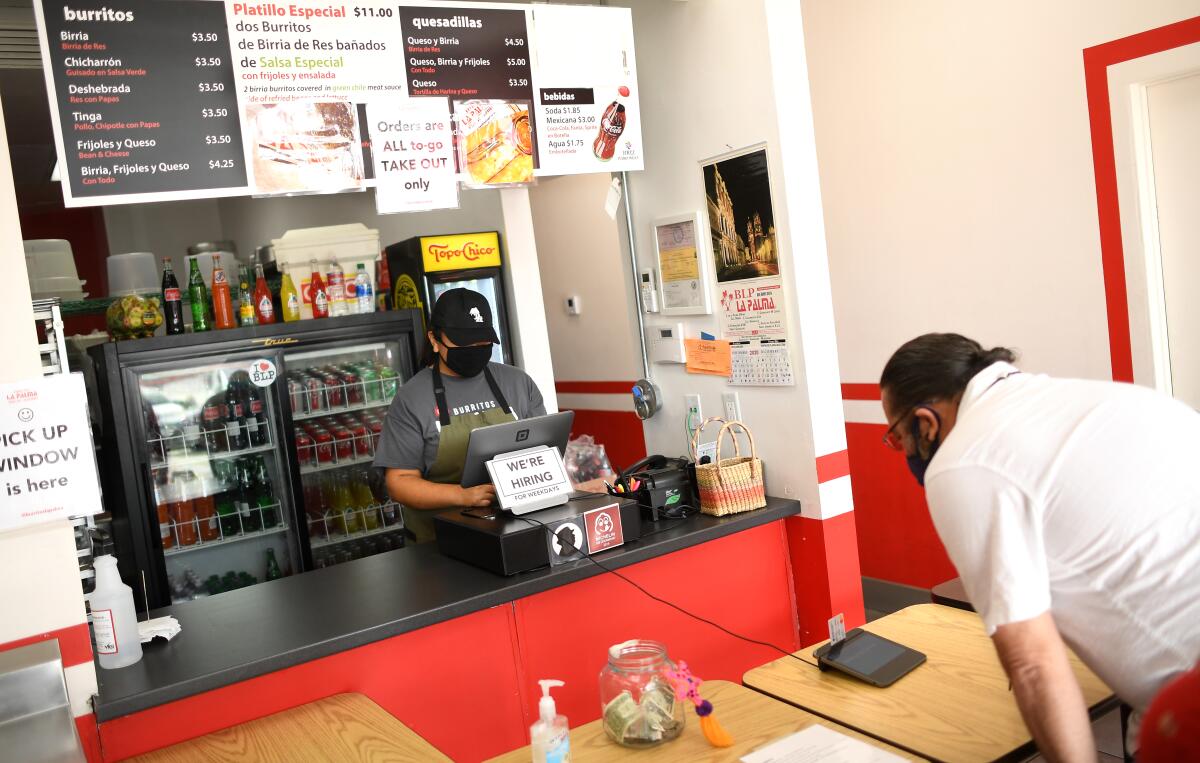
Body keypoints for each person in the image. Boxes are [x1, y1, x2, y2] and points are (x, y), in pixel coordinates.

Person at [879, 333, 1200, 762]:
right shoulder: (1097, 397)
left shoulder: (961, 459)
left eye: (896, 437)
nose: (902, 450)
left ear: (926, 422)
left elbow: (1032, 663)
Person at [373, 288, 545, 543]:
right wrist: (464, 496)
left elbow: (544, 452)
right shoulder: (412, 398)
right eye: (464, 343)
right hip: (439, 544)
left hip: (518, 529)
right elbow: (399, 482)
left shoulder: (518, 383)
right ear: (434, 339)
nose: (475, 349)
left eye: (482, 343)